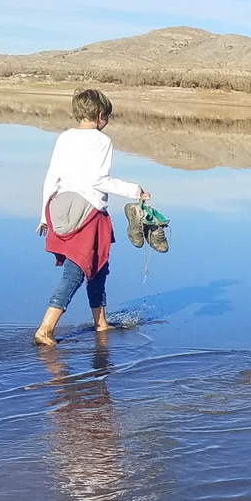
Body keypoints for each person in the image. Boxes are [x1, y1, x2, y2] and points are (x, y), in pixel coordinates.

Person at [33, 89, 150, 345]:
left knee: (98, 267)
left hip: (60, 205)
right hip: (87, 210)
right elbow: (98, 180)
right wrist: (135, 190)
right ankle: (45, 329)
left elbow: (51, 176)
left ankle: (101, 323)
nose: (106, 122)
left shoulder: (64, 137)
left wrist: (44, 214)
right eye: (107, 117)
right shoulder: (101, 141)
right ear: (100, 115)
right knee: (76, 270)